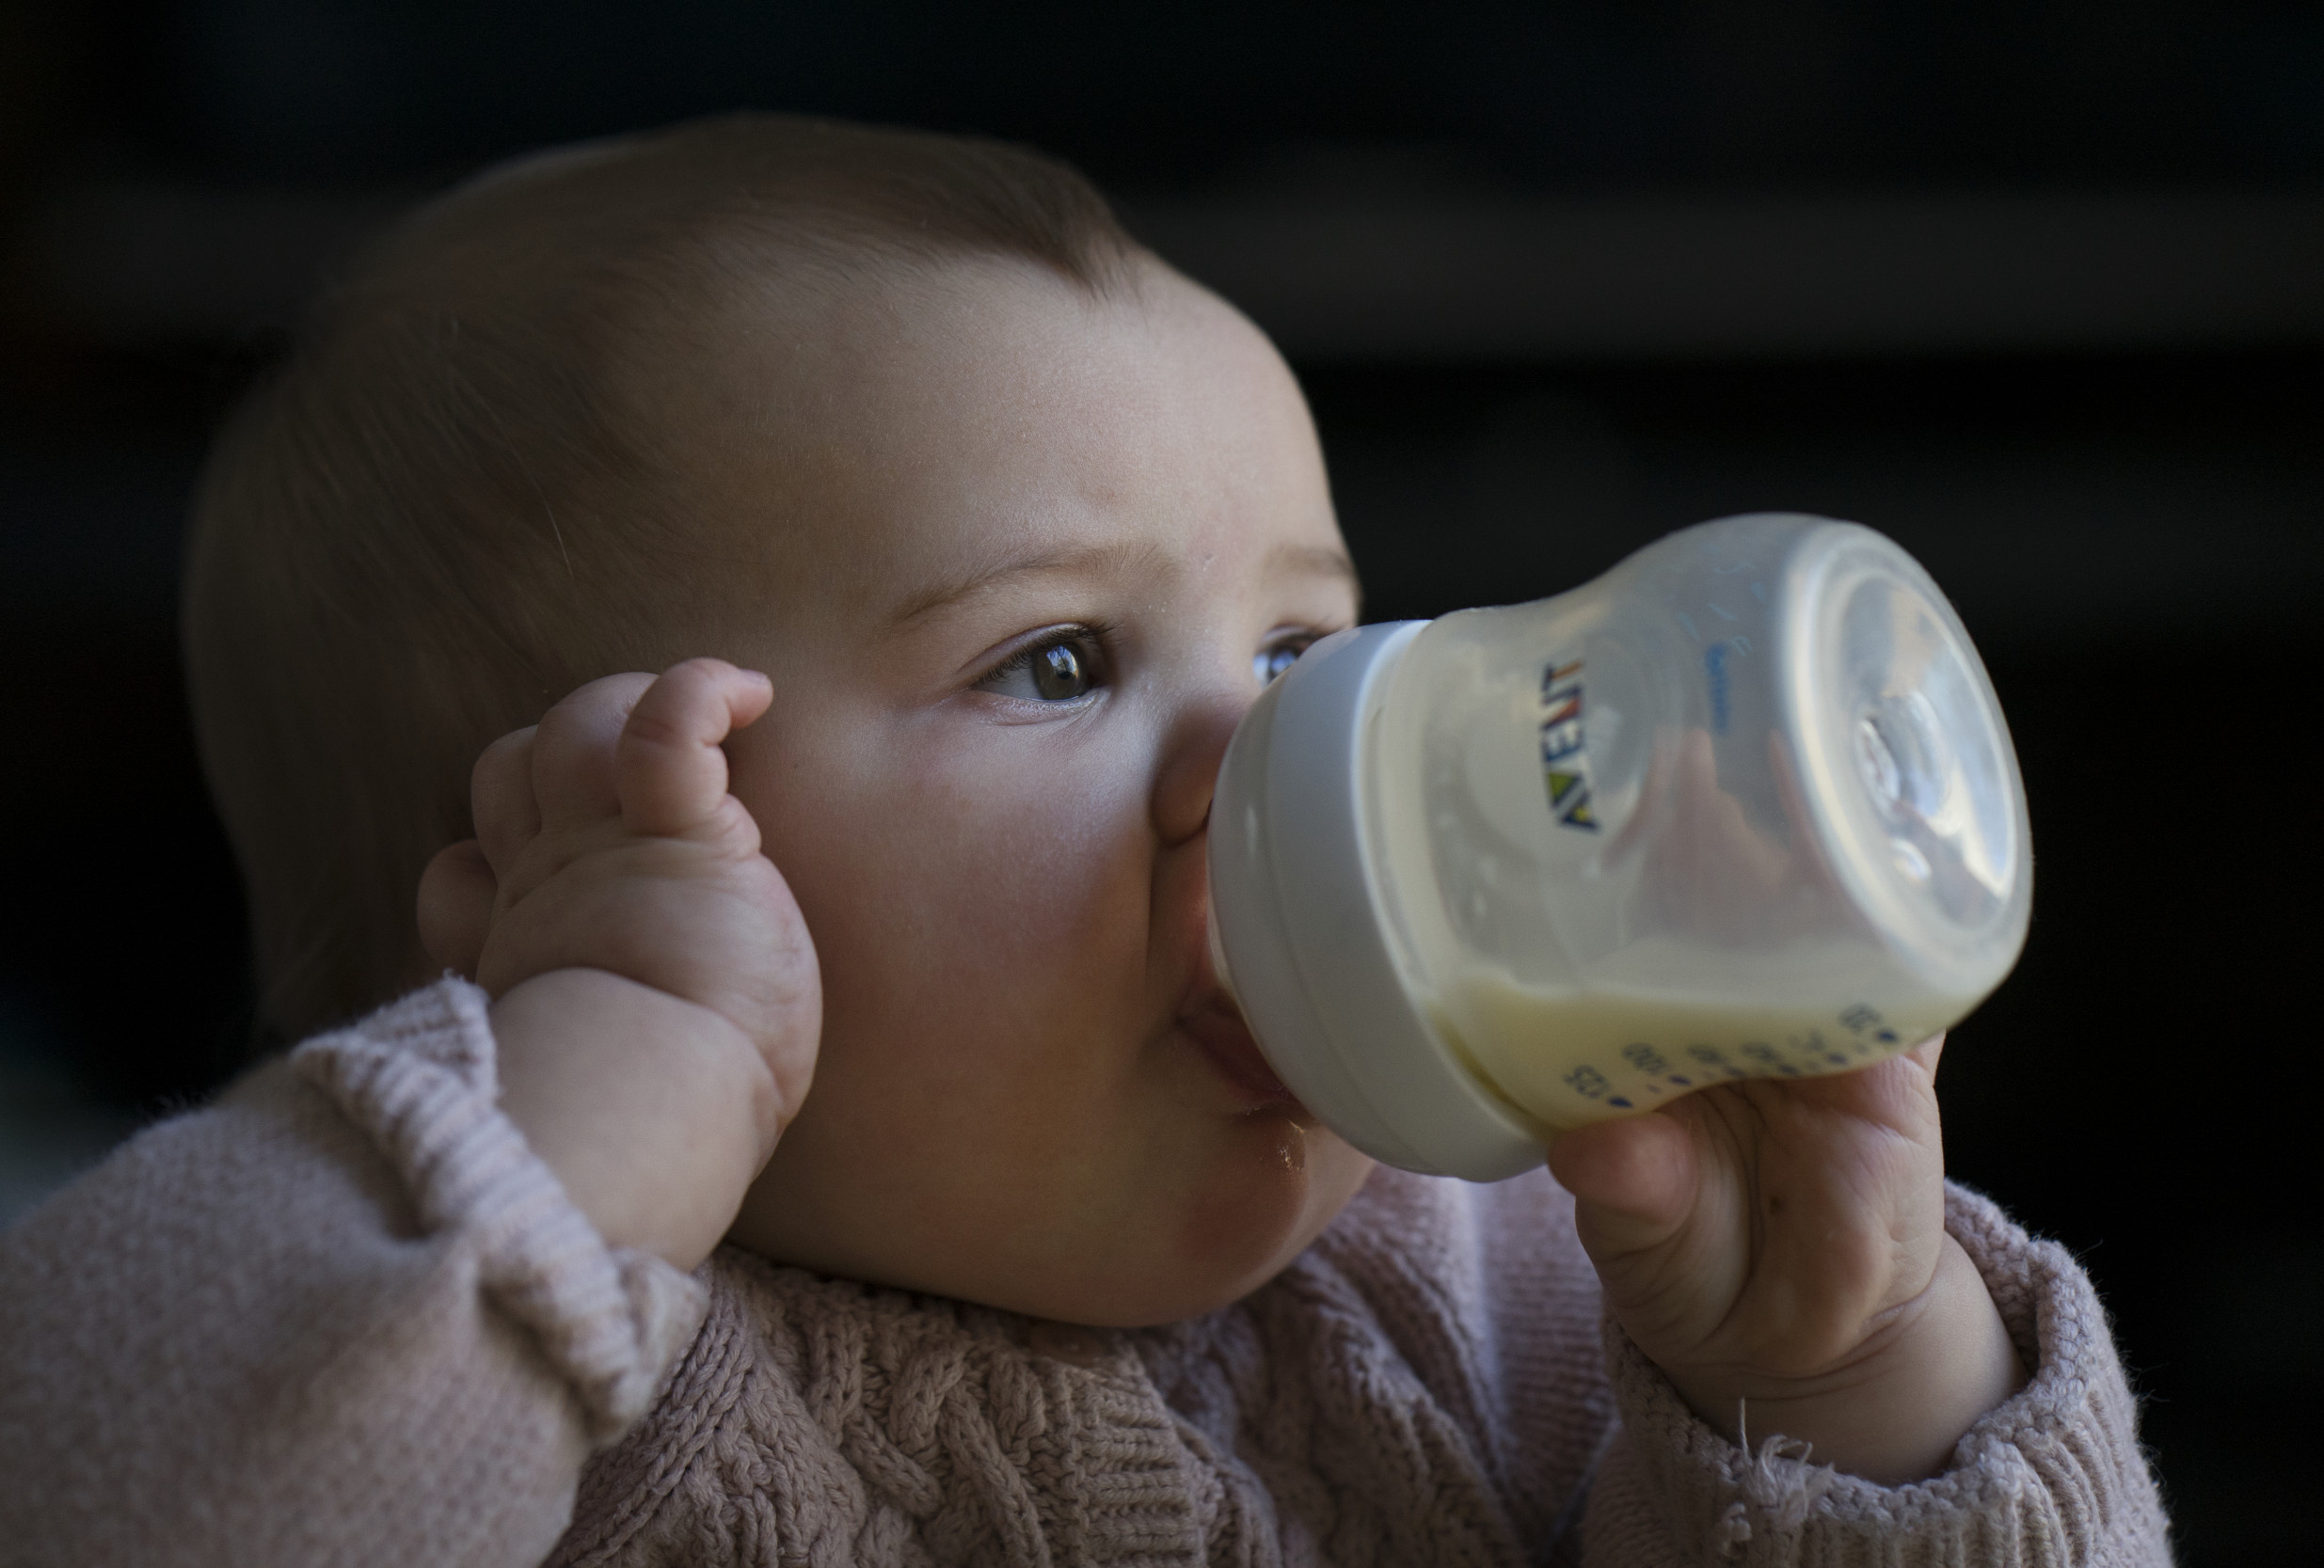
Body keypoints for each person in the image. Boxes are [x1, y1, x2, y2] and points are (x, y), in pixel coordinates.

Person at [0, 115, 2168, 1566]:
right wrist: (589, 1108)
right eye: (1053, 662)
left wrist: (1842, 1384)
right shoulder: (540, 1370)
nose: (1276, 748)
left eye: (1306, 637)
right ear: (563, 867)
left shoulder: (1487, 1273)